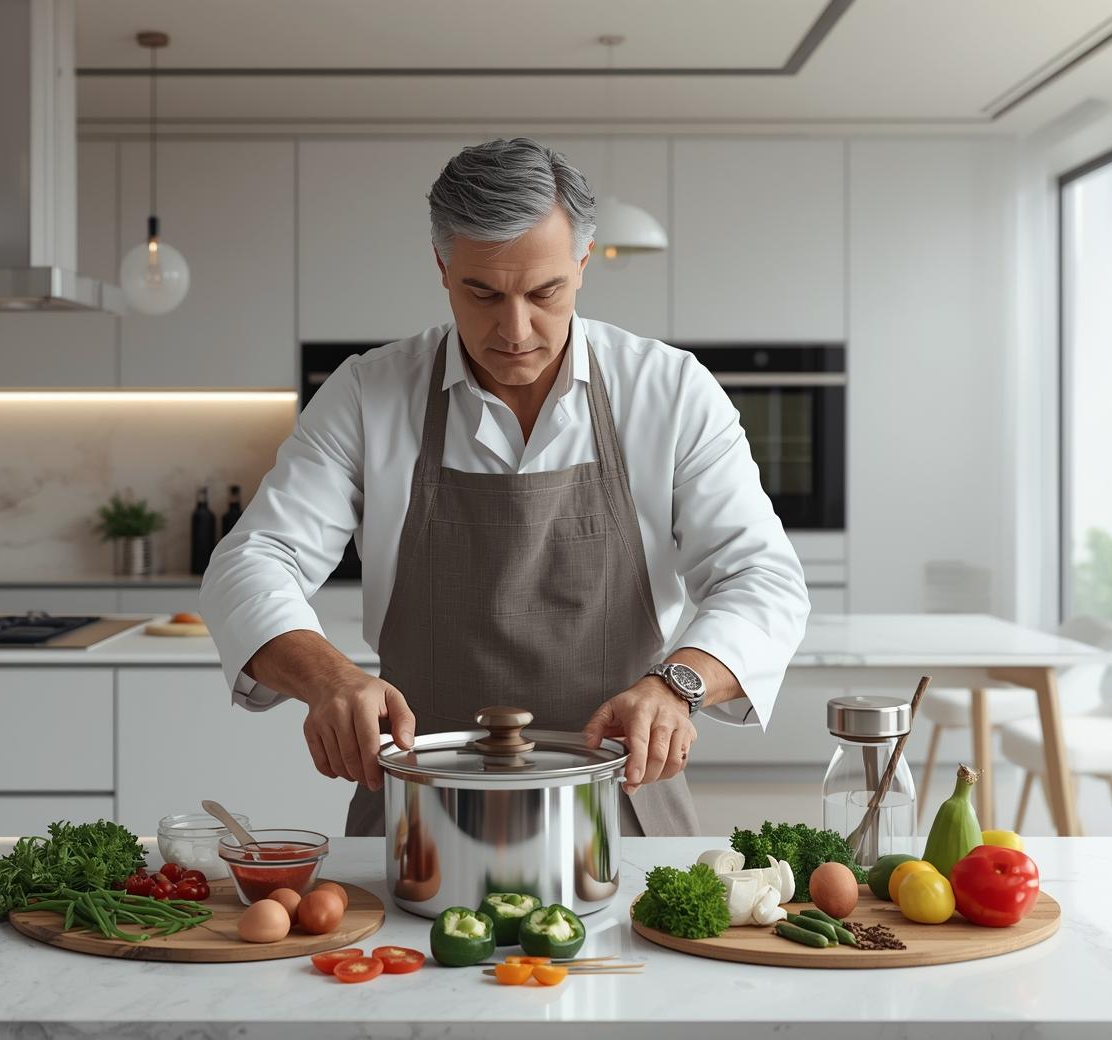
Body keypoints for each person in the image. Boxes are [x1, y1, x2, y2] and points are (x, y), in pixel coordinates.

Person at [200, 137, 810, 836]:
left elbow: (763, 579)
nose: (514, 329)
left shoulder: (669, 391)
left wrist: (678, 686)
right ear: (441, 267)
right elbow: (251, 561)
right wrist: (330, 680)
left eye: (544, 292)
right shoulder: (369, 394)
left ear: (582, 264)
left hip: (621, 807)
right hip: (419, 811)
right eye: (482, 292)